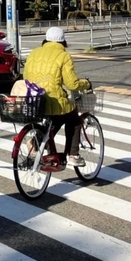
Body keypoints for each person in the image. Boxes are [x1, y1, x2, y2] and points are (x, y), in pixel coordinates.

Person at [21, 27, 92, 167]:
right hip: (53, 101)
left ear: (46, 40)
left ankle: (35, 142)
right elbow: (72, 84)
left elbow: (26, 77)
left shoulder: (34, 53)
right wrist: (86, 83)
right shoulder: (64, 56)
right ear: (63, 41)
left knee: (57, 119)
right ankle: (73, 155)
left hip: (35, 100)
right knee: (74, 119)